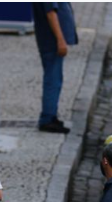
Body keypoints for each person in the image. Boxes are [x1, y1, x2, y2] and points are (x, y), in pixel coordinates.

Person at [32, 2, 78, 134]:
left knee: (55, 79)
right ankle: (47, 119)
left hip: (48, 39)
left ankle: (51, 115)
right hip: (51, 41)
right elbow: (51, 14)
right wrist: (60, 40)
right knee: (53, 80)